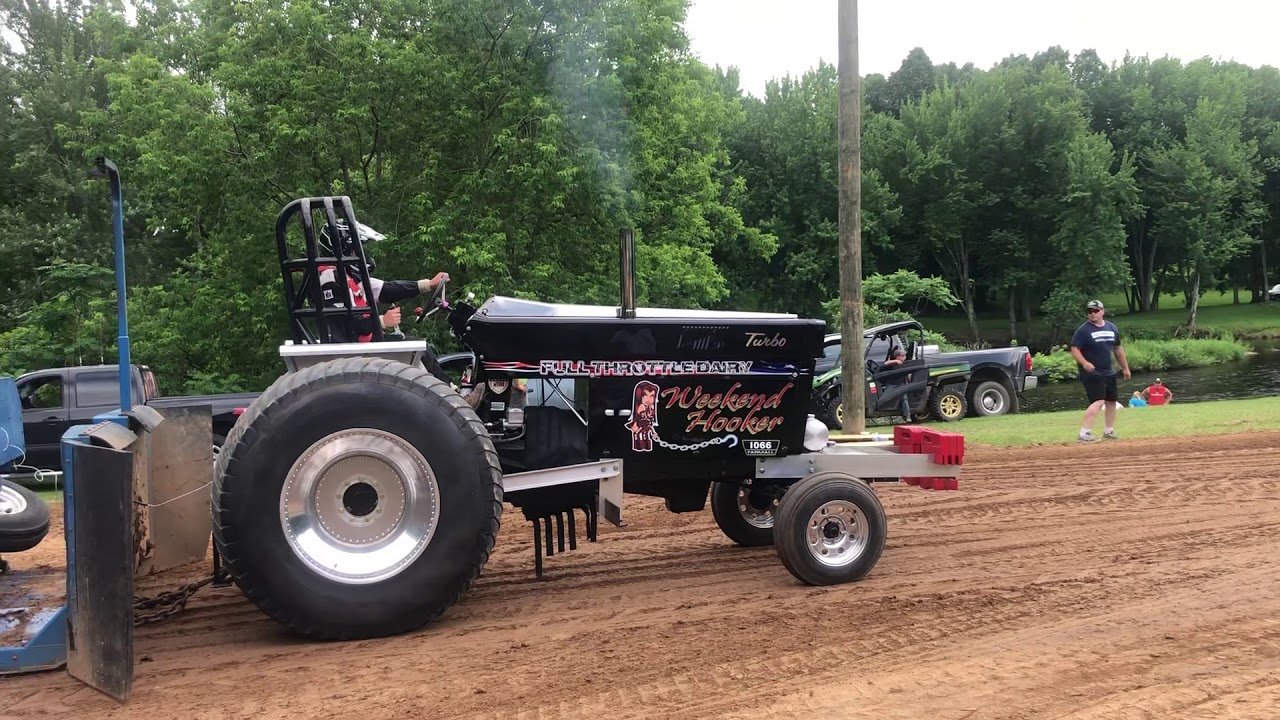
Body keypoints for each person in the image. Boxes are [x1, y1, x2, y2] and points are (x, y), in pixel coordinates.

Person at [315, 218, 452, 383]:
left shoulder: (347, 277)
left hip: (362, 344)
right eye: (354, 251)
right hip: (352, 351)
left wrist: (427, 284)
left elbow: (386, 290)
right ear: (340, 250)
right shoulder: (330, 279)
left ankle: (450, 393)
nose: (359, 255)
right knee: (419, 348)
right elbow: (344, 323)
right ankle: (452, 398)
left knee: (417, 347)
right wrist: (381, 321)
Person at [1069, 299, 1131, 442]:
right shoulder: (1083, 330)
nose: (1092, 314)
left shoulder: (1111, 328)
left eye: (1095, 311)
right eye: (1089, 311)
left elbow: (1118, 349)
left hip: (1108, 371)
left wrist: (1125, 367)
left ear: (1102, 311)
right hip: (1092, 372)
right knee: (1098, 401)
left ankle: (1108, 431)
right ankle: (1084, 433)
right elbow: (1074, 348)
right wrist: (1084, 363)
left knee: (1111, 401)